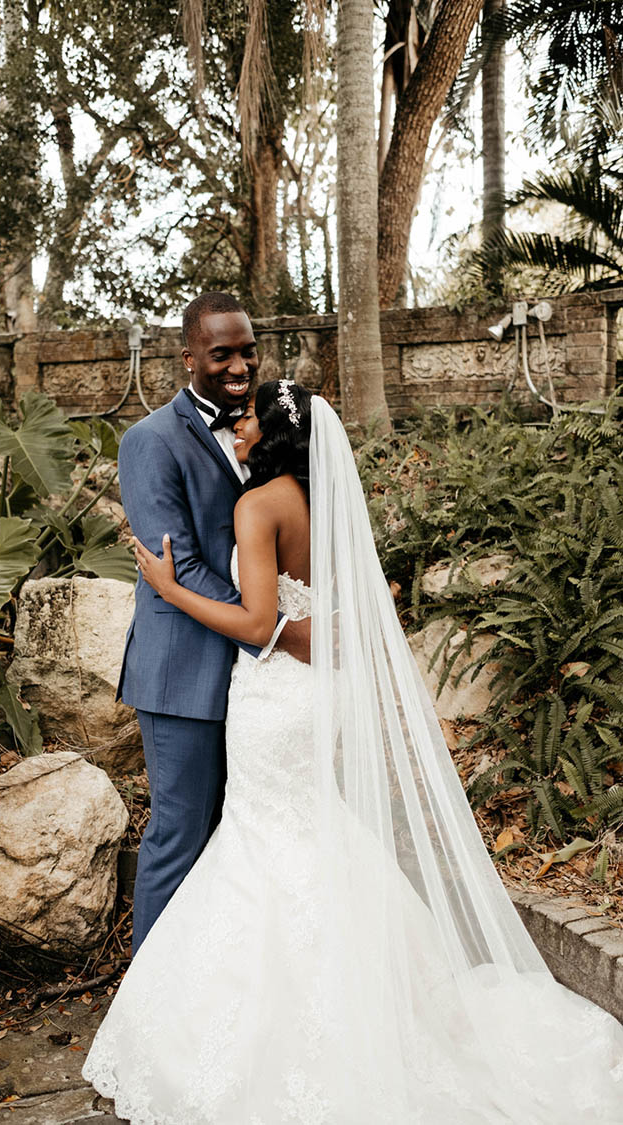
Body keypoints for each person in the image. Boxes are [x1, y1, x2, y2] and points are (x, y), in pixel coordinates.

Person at [85, 380, 623, 1122]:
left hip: (273, 697)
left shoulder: (257, 505)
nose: (235, 425)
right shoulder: (323, 504)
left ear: (268, 433)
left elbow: (258, 622)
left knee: (264, 835)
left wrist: (169, 591)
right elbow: (337, 616)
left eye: (247, 418)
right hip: (315, 697)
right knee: (311, 827)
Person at [115, 292, 309, 955]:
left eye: (248, 350)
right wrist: (271, 625)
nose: (239, 365)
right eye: (222, 352)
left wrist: (271, 631)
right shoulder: (149, 441)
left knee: (238, 837)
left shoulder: (262, 431)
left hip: (256, 679)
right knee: (179, 832)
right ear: (189, 355)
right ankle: (145, 1006)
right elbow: (181, 566)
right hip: (184, 674)